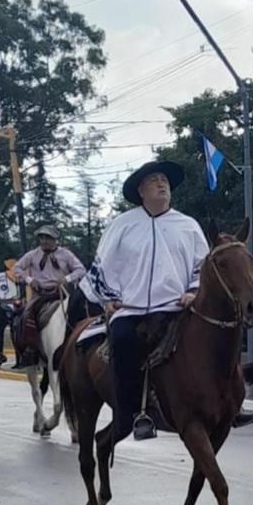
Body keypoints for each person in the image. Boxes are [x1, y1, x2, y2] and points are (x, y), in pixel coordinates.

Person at [87, 161, 209, 440]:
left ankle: (228, 401)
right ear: (141, 191)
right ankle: (131, 413)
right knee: (123, 341)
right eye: (154, 180)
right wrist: (109, 298)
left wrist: (193, 292)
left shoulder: (188, 225)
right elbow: (103, 266)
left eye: (164, 180)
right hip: (131, 308)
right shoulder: (122, 225)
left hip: (177, 306)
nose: (161, 183)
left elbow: (203, 265)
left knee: (215, 335)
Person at [12, 225, 86, 366]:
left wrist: (67, 279)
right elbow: (16, 268)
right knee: (27, 314)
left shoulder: (66, 254)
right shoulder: (32, 255)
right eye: (42, 237)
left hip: (61, 293)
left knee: (78, 312)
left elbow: (81, 270)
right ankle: (29, 349)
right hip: (40, 293)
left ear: (55, 239)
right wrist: (29, 280)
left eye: (48, 238)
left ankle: (79, 343)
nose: (44, 241)